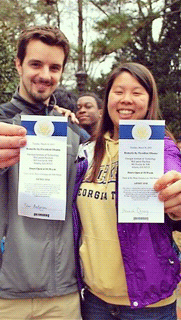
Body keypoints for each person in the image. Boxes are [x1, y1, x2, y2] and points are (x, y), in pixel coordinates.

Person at [0, 25, 86, 320]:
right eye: (36, 64)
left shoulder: (75, 133)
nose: (45, 74)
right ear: (18, 64)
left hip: (62, 293)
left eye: (54, 67)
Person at [72, 62, 181, 319]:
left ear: (150, 100)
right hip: (95, 299)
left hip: (148, 301)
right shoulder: (87, 151)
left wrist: (177, 204)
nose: (126, 100)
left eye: (137, 92)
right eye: (118, 91)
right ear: (107, 98)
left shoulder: (161, 148)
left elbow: (173, 176)